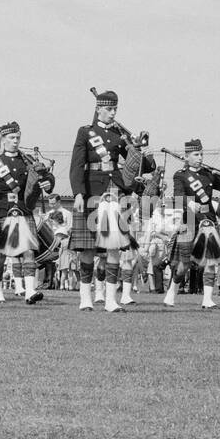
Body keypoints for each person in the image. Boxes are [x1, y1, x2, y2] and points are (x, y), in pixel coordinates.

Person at [69, 89, 154, 313]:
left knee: (114, 248)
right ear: (98, 109)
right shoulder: (85, 132)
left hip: (115, 191)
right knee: (87, 249)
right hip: (90, 191)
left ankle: (110, 300)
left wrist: (141, 149)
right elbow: (77, 165)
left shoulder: (119, 136)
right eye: (109, 108)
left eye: (115, 108)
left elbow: (144, 166)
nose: (113, 112)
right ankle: (85, 298)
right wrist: (78, 192)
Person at [0, 122, 54, 306]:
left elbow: (45, 175)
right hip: (3, 212)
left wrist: (49, 183)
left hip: (23, 210)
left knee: (28, 251)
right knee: (0, 255)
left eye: (18, 138)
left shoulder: (27, 160)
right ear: (3, 139)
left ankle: (30, 291)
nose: (15, 141)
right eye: (11, 138)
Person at [166, 140, 220, 310]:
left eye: (201, 154)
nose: (200, 157)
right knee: (184, 264)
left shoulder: (208, 174)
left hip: (208, 219)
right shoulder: (180, 175)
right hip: (189, 219)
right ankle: (171, 293)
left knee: (211, 261)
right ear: (187, 156)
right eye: (196, 155)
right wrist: (191, 204)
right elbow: (178, 197)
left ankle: (207, 300)